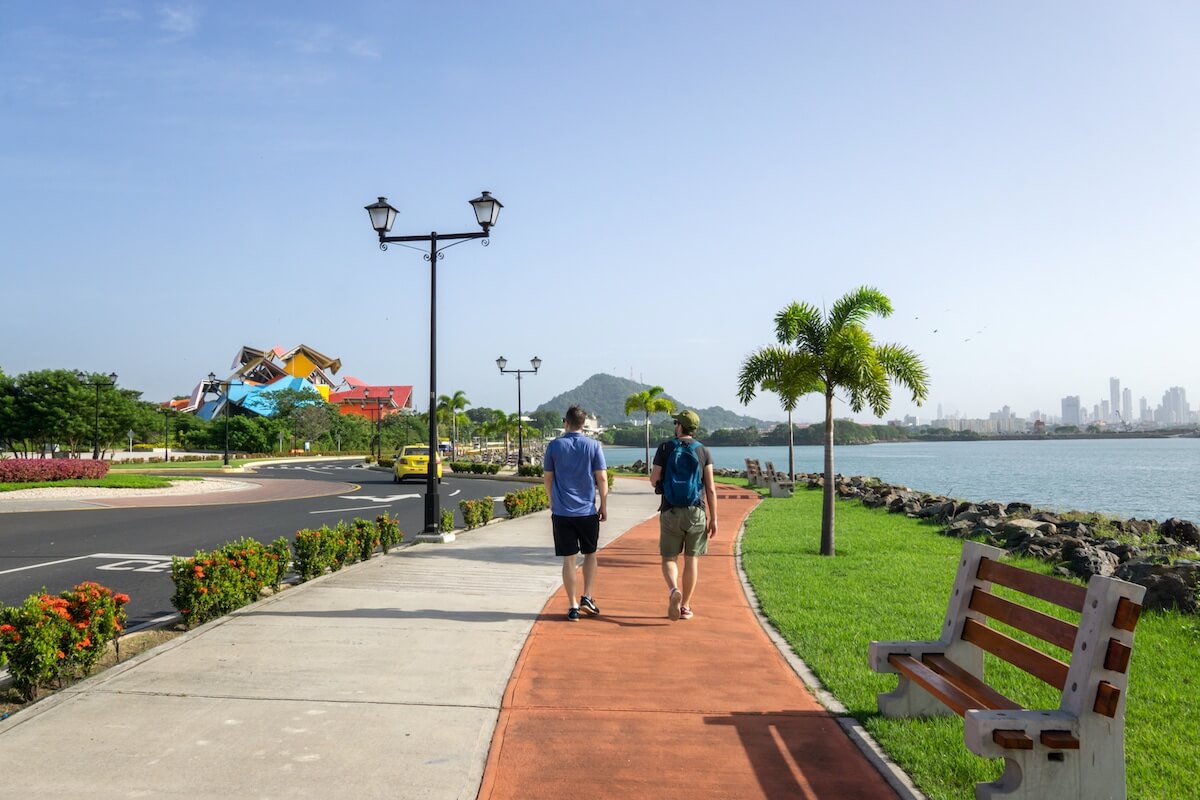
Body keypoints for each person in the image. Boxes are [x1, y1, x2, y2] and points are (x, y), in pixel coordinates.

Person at [648, 409, 717, 621]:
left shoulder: (665, 447)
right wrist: (713, 518)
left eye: (676, 422)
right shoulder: (703, 451)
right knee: (691, 560)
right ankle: (685, 606)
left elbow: (653, 478)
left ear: (680, 426)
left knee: (669, 559)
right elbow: (711, 488)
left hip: (670, 510)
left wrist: (662, 486)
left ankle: (672, 591)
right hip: (696, 511)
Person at [542, 405, 608, 621]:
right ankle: (587, 596)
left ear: (566, 422)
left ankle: (572, 606)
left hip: (562, 513)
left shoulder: (554, 446)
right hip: (587, 511)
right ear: (584, 424)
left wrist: (552, 501)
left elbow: (548, 479)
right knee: (590, 554)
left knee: (569, 560)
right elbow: (602, 478)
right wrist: (603, 504)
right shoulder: (594, 446)